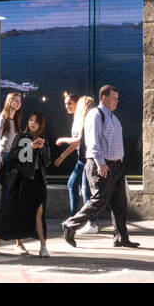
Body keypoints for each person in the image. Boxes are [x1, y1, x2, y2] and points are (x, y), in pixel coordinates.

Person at [62, 85, 139, 249]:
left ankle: (121, 237)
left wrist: (120, 162)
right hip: (102, 165)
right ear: (104, 98)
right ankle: (71, 224)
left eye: (117, 98)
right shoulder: (95, 115)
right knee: (99, 200)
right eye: (114, 98)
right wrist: (101, 163)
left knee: (120, 203)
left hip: (116, 166)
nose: (117, 101)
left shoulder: (113, 117)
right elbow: (93, 142)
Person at [0, 111, 52, 257]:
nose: (32, 123)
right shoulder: (21, 137)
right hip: (23, 180)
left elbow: (47, 162)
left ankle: (43, 246)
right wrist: (30, 146)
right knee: (20, 211)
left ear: (40, 125)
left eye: (35, 121)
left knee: (39, 212)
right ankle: (19, 244)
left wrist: (41, 148)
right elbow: (12, 157)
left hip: (38, 180)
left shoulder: (44, 141)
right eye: (30, 120)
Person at [54, 92, 97, 229]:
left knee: (85, 190)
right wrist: (62, 156)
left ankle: (90, 222)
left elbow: (77, 140)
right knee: (73, 184)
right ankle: (75, 218)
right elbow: (77, 144)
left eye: (69, 103)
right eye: (65, 104)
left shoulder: (84, 118)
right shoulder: (78, 118)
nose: (67, 106)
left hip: (86, 158)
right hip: (82, 157)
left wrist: (63, 141)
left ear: (78, 103)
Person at [0, 92, 22, 160]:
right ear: (9, 101)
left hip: (12, 154)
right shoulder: (3, 118)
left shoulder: (16, 120)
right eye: (16, 101)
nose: (19, 103)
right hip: (3, 153)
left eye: (20, 101)